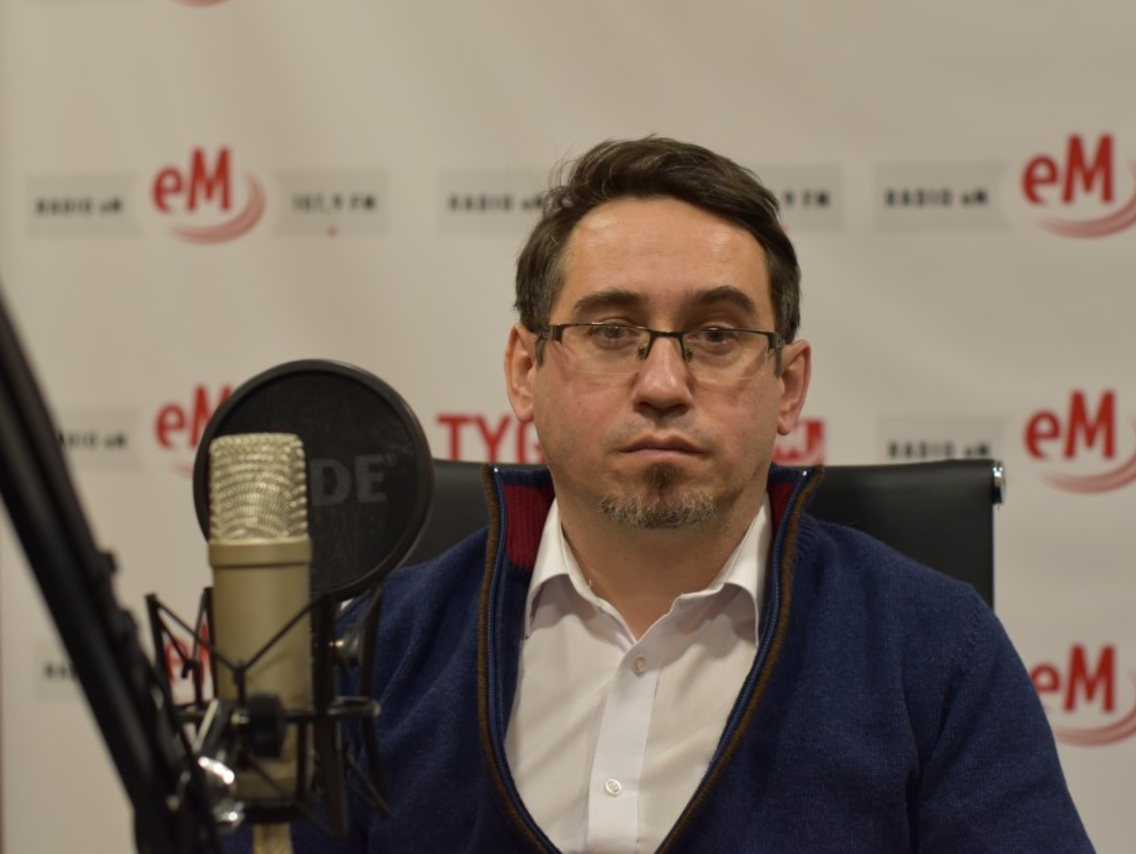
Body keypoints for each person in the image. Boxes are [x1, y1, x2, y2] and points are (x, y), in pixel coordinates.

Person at [287, 137, 1094, 852]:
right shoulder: (375, 655)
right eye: (611, 332)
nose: (664, 384)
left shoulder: (936, 651)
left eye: (717, 335)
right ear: (525, 372)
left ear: (788, 386)